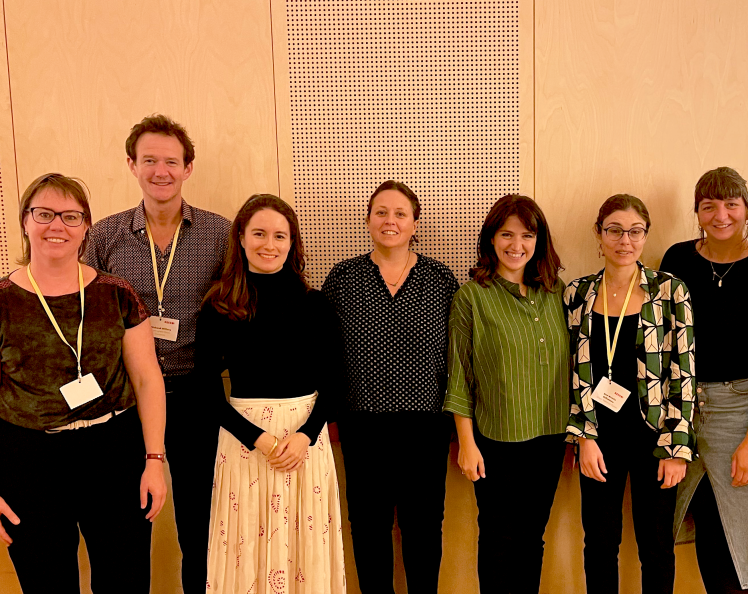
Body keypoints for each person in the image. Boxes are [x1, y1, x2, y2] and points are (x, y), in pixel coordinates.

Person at [0, 173, 167, 593]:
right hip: (28, 459)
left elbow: (147, 379)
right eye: (45, 214)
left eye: (71, 216)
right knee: (46, 582)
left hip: (113, 451)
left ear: (86, 226)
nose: (58, 226)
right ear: (25, 221)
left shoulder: (117, 294)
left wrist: (154, 461)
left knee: (124, 579)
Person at [84, 114, 230, 592]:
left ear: (188, 168)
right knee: (126, 526)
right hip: (125, 396)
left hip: (196, 390)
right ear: (132, 165)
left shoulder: (219, 234)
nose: (160, 171)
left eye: (171, 161)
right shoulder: (103, 237)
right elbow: (80, 314)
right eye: (149, 160)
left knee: (200, 525)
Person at [196, 194, 345, 593]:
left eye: (280, 236)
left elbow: (336, 381)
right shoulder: (219, 306)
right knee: (247, 547)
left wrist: (305, 436)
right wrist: (259, 439)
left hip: (304, 442)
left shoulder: (316, 304)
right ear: (241, 239)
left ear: (292, 243)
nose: (269, 244)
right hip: (245, 441)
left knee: (304, 547)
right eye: (259, 233)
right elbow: (205, 390)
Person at [659, 167, 748, 593]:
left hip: (742, 411)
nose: (721, 215)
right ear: (697, 212)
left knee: (737, 537)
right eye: (709, 205)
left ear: (746, 209)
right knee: (701, 527)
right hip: (682, 409)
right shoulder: (677, 260)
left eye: (731, 204)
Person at [322, 180, 459, 593]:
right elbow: (325, 352)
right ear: (368, 220)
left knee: (423, 527)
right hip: (362, 424)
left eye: (400, 213)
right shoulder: (344, 277)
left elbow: (457, 355)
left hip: (427, 427)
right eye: (381, 212)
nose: (390, 221)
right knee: (367, 527)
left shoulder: (440, 279)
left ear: (415, 223)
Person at [565, 194, 696, 594]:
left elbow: (684, 372)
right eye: (615, 230)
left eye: (635, 231)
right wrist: (583, 437)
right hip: (599, 438)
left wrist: (676, 447)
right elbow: (571, 371)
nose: (625, 240)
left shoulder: (669, 291)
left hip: (655, 438)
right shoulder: (578, 294)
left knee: (656, 546)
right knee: (600, 544)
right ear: (599, 234)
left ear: (645, 236)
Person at [443, 194, 570, 594]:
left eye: (527, 235)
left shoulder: (555, 292)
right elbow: (459, 375)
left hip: (550, 437)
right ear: (491, 239)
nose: (517, 245)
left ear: (539, 240)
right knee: (500, 538)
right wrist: (466, 443)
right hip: (496, 439)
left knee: (534, 537)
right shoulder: (472, 297)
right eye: (507, 234)